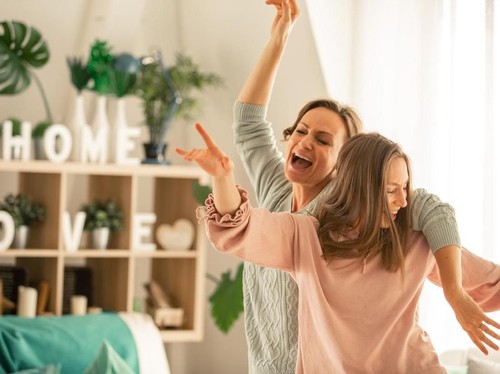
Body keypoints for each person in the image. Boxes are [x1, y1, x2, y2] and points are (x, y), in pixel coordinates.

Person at [233, 0, 499, 372]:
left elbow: (425, 208)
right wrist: (279, 38)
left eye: (324, 140)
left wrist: (456, 292)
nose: (305, 142)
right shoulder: (275, 191)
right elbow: (248, 124)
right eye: (301, 130)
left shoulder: (358, 210)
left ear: (347, 163)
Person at [176, 124, 500, 373]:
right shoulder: (304, 236)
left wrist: (456, 292)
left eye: (404, 189)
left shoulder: (415, 242)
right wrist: (223, 179)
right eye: (391, 191)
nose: (403, 202)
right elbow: (243, 229)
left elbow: (490, 282)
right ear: (359, 190)